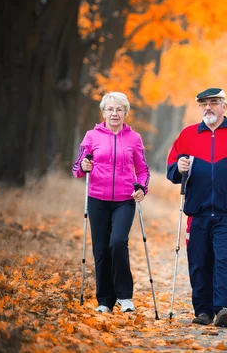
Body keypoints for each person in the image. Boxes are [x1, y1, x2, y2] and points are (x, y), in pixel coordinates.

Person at [166, 87, 227, 327]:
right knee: (199, 262)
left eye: (213, 102)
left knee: (225, 259)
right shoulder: (187, 135)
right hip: (196, 212)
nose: (207, 107)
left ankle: (223, 308)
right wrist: (179, 167)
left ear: (224, 106)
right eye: (203, 104)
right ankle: (203, 311)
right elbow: (172, 169)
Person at [72, 92, 150, 313]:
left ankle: (124, 297)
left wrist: (141, 188)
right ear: (103, 112)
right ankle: (105, 300)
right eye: (110, 109)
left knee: (117, 242)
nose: (114, 113)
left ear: (126, 113)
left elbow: (143, 170)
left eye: (119, 109)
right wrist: (83, 167)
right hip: (97, 199)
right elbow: (77, 168)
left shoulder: (134, 138)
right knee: (101, 250)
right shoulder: (91, 136)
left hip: (125, 200)